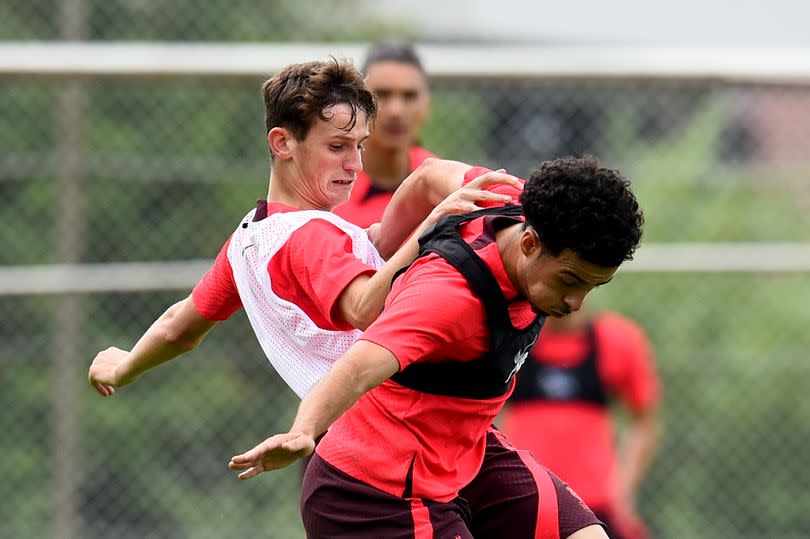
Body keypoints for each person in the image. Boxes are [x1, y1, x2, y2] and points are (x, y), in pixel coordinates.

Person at [228, 155, 646, 539]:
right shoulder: (448, 298)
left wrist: (383, 248)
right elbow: (357, 367)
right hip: (373, 494)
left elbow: (428, 175)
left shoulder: (510, 197)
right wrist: (302, 430)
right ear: (530, 244)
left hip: (463, 451)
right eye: (569, 281)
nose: (575, 304)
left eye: (593, 287)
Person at [87, 57, 512, 400]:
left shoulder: (250, 237)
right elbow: (364, 306)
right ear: (282, 143)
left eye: (359, 145)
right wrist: (431, 228)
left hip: (353, 439)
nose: (355, 164)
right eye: (337, 147)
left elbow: (180, 326)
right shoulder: (307, 234)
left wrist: (126, 365)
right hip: (389, 445)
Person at [503, 310, 662, 539]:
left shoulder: (616, 341)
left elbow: (644, 422)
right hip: (525, 500)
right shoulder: (513, 339)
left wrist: (623, 490)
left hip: (594, 506)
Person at [333, 40, 433, 228]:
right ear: (357, 102)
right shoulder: (326, 194)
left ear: (426, 105)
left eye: (409, 96)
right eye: (382, 95)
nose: (396, 111)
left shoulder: (448, 186)